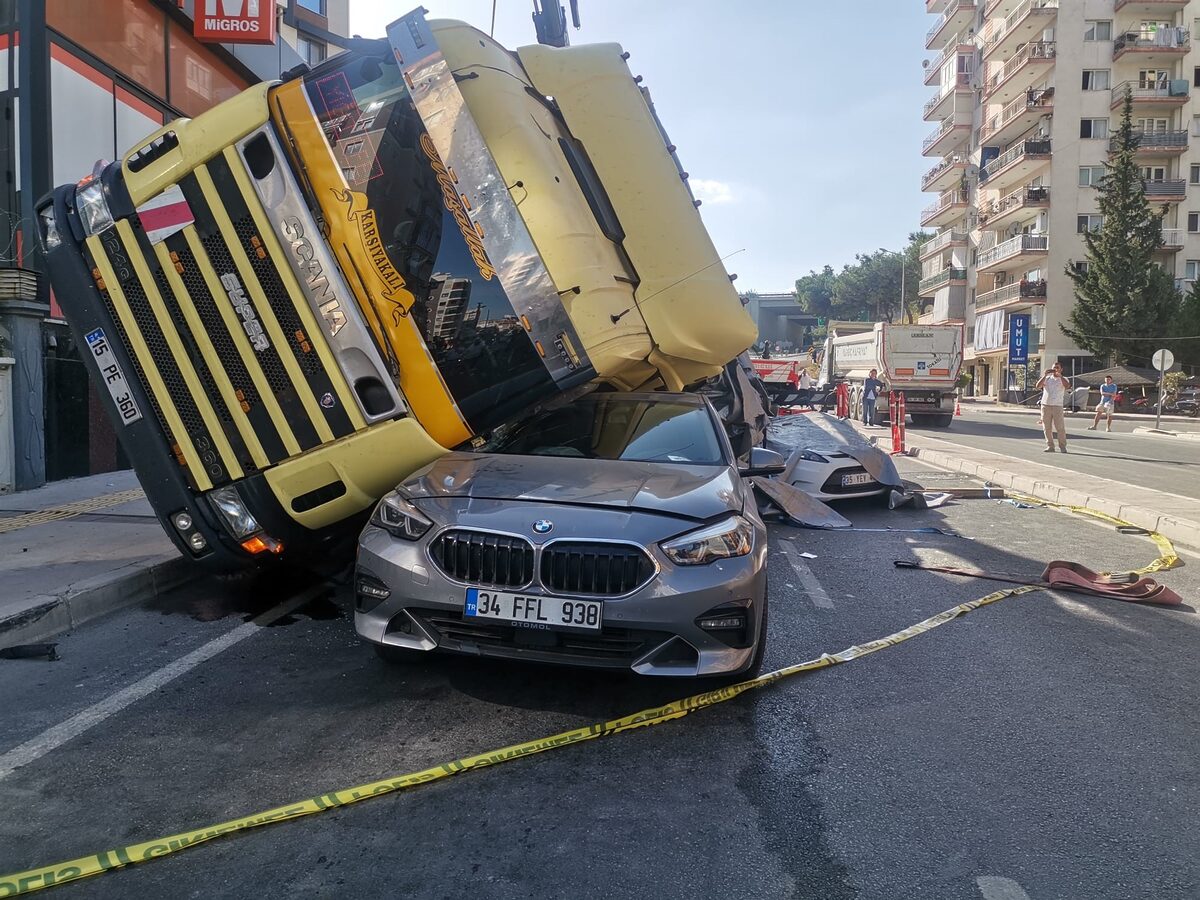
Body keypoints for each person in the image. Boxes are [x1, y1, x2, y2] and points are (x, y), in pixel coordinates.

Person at [1035, 361, 1069, 452]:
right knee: (1047, 427)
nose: (1055, 370)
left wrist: (1060, 376)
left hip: (1057, 405)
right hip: (1046, 405)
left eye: (1057, 368)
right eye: (1054, 368)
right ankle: (1050, 445)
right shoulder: (1047, 378)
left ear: (1061, 369)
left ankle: (1062, 446)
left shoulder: (1064, 379)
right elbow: (1038, 386)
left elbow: (1067, 386)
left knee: (1060, 427)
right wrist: (1045, 375)